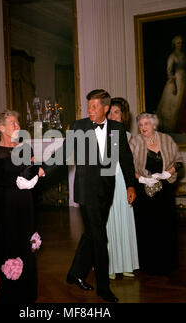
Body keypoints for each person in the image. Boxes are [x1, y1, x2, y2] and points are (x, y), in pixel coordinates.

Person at [41, 89, 136, 302]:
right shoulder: (79, 126)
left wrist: (131, 186)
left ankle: (74, 274)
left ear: (106, 108)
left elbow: (126, 159)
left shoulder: (117, 128)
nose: (89, 110)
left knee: (92, 234)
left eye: (94, 106)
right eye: (88, 106)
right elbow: (64, 151)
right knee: (100, 238)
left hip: (106, 190)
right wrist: (44, 169)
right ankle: (104, 287)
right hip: (86, 191)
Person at [0, 109, 40, 303]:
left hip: (25, 206)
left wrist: (36, 174)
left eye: (18, 123)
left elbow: (33, 172)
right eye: (13, 123)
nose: (18, 127)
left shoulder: (26, 149)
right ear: (1, 127)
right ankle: (10, 294)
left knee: (26, 248)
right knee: (9, 247)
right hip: (5, 208)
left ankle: (28, 295)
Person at [129, 112, 183, 275]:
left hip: (165, 190)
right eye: (140, 124)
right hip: (143, 191)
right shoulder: (135, 142)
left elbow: (179, 161)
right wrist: (142, 180)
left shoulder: (166, 139)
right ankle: (147, 264)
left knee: (166, 226)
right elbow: (128, 167)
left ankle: (167, 263)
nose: (143, 127)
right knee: (146, 227)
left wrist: (167, 173)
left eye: (146, 124)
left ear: (154, 125)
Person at [106, 98, 139, 279]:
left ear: (123, 116)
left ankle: (126, 263)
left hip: (123, 182)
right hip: (106, 182)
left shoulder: (128, 137)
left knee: (125, 220)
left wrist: (131, 186)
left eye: (116, 112)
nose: (112, 115)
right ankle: (109, 265)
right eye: (109, 112)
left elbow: (130, 164)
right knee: (108, 221)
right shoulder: (100, 133)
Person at [156, 35, 186, 134]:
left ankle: (185, 126)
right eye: (178, 43)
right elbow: (169, 71)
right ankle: (177, 128)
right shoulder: (172, 56)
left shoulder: (184, 55)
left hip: (184, 80)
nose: (180, 45)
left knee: (185, 103)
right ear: (174, 44)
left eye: (181, 42)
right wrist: (173, 84)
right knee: (175, 104)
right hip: (176, 81)